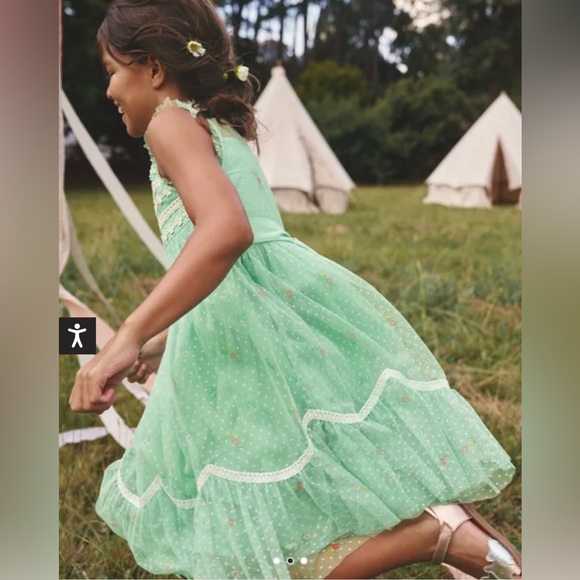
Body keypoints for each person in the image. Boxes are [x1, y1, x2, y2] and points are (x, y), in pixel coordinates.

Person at [68, 1, 522, 578]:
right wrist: (164, 342)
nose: (108, 89)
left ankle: (435, 534)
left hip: (247, 339)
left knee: (253, 551)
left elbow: (227, 232)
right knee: (269, 534)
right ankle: (445, 534)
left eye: (112, 70)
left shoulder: (169, 123)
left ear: (154, 69)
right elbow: (234, 257)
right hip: (255, 325)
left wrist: (128, 334)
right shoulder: (216, 127)